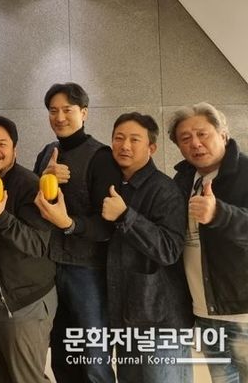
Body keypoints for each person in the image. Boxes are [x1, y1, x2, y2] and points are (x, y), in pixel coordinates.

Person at [33, 82, 118, 383]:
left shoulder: (101, 157)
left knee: (95, 358)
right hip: (51, 269)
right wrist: (42, 178)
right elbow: (34, 207)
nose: (59, 117)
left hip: (88, 271)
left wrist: (69, 223)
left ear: (84, 112)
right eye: (53, 111)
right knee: (62, 355)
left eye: (67, 110)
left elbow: (108, 224)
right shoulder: (47, 153)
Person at [101, 112, 192, 382]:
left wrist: (125, 216)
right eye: (119, 138)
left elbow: (169, 249)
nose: (124, 146)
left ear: (151, 148)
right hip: (125, 317)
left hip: (161, 321)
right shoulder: (114, 186)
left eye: (134, 139)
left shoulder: (164, 190)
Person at [168, 102, 248, 383]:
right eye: (185, 138)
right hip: (205, 312)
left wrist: (219, 214)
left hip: (243, 313)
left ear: (223, 134)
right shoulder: (182, 180)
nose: (195, 143)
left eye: (202, 134)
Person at [0, 115, 57, 383]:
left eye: (2, 144)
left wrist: (1, 218)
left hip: (25, 305)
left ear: (15, 150)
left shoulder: (29, 185)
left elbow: (38, 244)